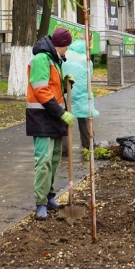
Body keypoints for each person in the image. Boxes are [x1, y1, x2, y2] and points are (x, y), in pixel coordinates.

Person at [26, 27, 75, 220]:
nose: (67, 51)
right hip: (41, 118)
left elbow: (52, 87)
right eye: (66, 47)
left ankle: (49, 196)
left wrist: (65, 84)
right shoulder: (41, 59)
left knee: (54, 161)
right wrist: (62, 113)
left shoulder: (54, 59)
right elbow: (41, 90)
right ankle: (40, 203)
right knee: (43, 161)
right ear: (60, 45)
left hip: (53, 117)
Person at [61, 35, 100, 153]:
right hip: (82, 93)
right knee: (84, 117)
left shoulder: (66, 54)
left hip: (65, 90)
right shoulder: (85, 58)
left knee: (64, 119)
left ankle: (65, 148)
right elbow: (89, 76)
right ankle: (88, 143)